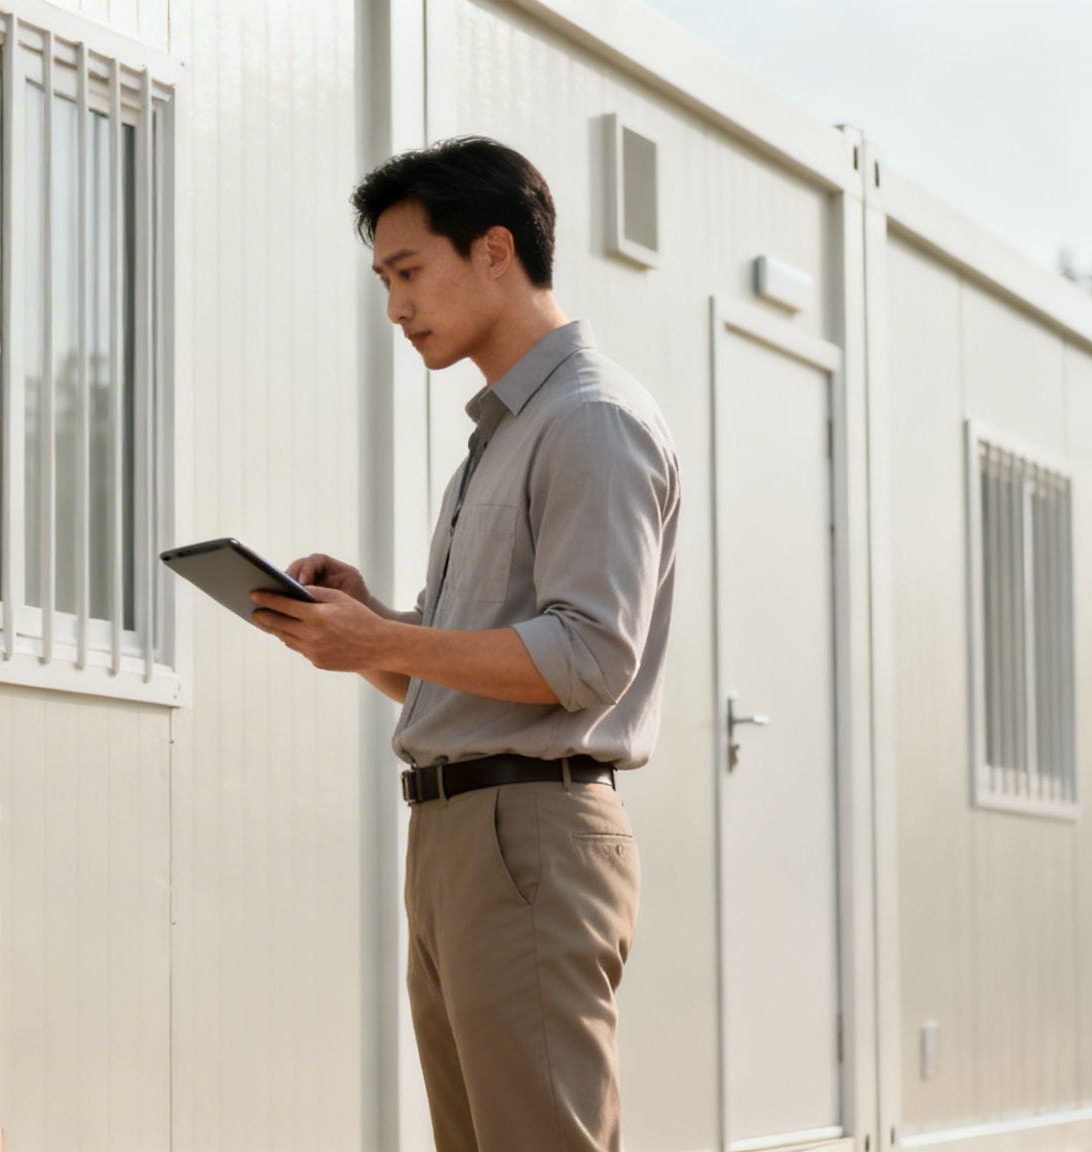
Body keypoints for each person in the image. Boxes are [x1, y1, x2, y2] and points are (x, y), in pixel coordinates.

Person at [250, 136, 680, 1151]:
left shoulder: (589, 420)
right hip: (457, 834)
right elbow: (482, 681)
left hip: (526, 833)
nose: (394, 305)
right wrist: (370, 637)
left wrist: (386, 635)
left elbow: (585, 657)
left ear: (494, 250)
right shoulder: (502, 435)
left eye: (407, 272)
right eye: (383, 279)